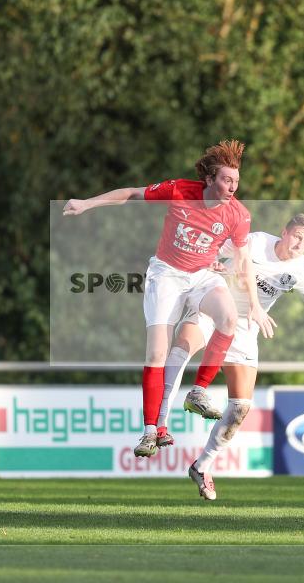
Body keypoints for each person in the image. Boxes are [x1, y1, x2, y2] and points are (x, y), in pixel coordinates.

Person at [62, 140, 276, 457]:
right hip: (166, 274)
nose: (232, 187)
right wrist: (86, 204)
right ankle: (150, 432)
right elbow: (133, 193)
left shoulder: (238, 215)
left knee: (228, 318)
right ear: (210, 179)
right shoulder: (179, 190)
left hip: (202, 275)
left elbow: (243, 261)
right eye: (226, 180)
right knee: (156, 353)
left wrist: (256, 306)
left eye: (236, 181)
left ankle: (199, 391)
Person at [156, 214, 304, 500]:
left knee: (240, 408)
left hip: (246, 328)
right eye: (297, 236)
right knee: (183, 347)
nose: (300, 244)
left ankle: (202, 467)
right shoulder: (257, 241)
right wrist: (208, 264)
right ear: (284, 232)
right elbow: (213, 246)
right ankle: (157, 424)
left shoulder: (300, 267)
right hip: (215, 307)